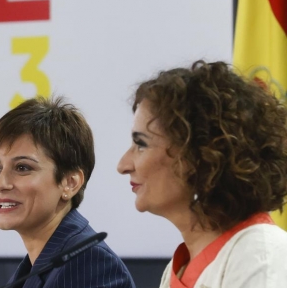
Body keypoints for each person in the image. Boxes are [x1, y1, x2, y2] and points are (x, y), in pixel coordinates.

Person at [117, 60, 287, 287]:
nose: (123, 165)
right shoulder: (178, 268)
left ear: (198, 155)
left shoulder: (260, 256)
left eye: (141, 144)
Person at [0, 96, 135, 288]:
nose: (1, 184)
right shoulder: (34, 268)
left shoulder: (89, 264)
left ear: (70, 183)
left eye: (22, 168)